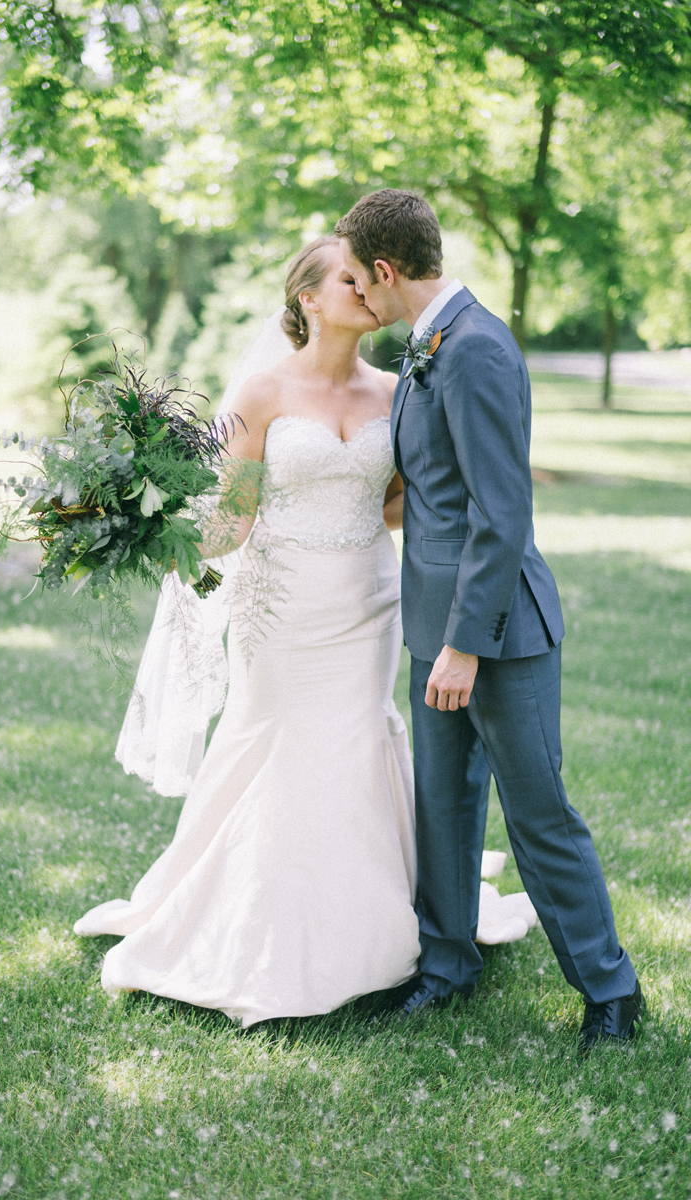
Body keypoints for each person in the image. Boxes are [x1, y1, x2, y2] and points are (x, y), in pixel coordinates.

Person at [74, 235, 536, 1028]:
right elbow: (236, 515)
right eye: (349, 279)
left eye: (368, 277)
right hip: (279, 605)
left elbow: (398, 503)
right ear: (308, 301)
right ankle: (256, 925)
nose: (367, 289)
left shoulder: (399, 391)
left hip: (367, 599)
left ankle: (373, 929)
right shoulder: (260, 394)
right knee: (275, 741)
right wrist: (147, 526)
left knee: (354, 738)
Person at [336, 190, 644, 1051]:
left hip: (498, 635)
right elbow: (429, 494)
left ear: (388, 271)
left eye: (360, 278)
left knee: (539, 816)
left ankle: (612, 992)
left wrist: (465, 646)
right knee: (442, 806)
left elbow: (501, 514)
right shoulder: (423, 348)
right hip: (431, 626)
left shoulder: (474, 348)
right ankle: (446, 968)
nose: (357, 293)